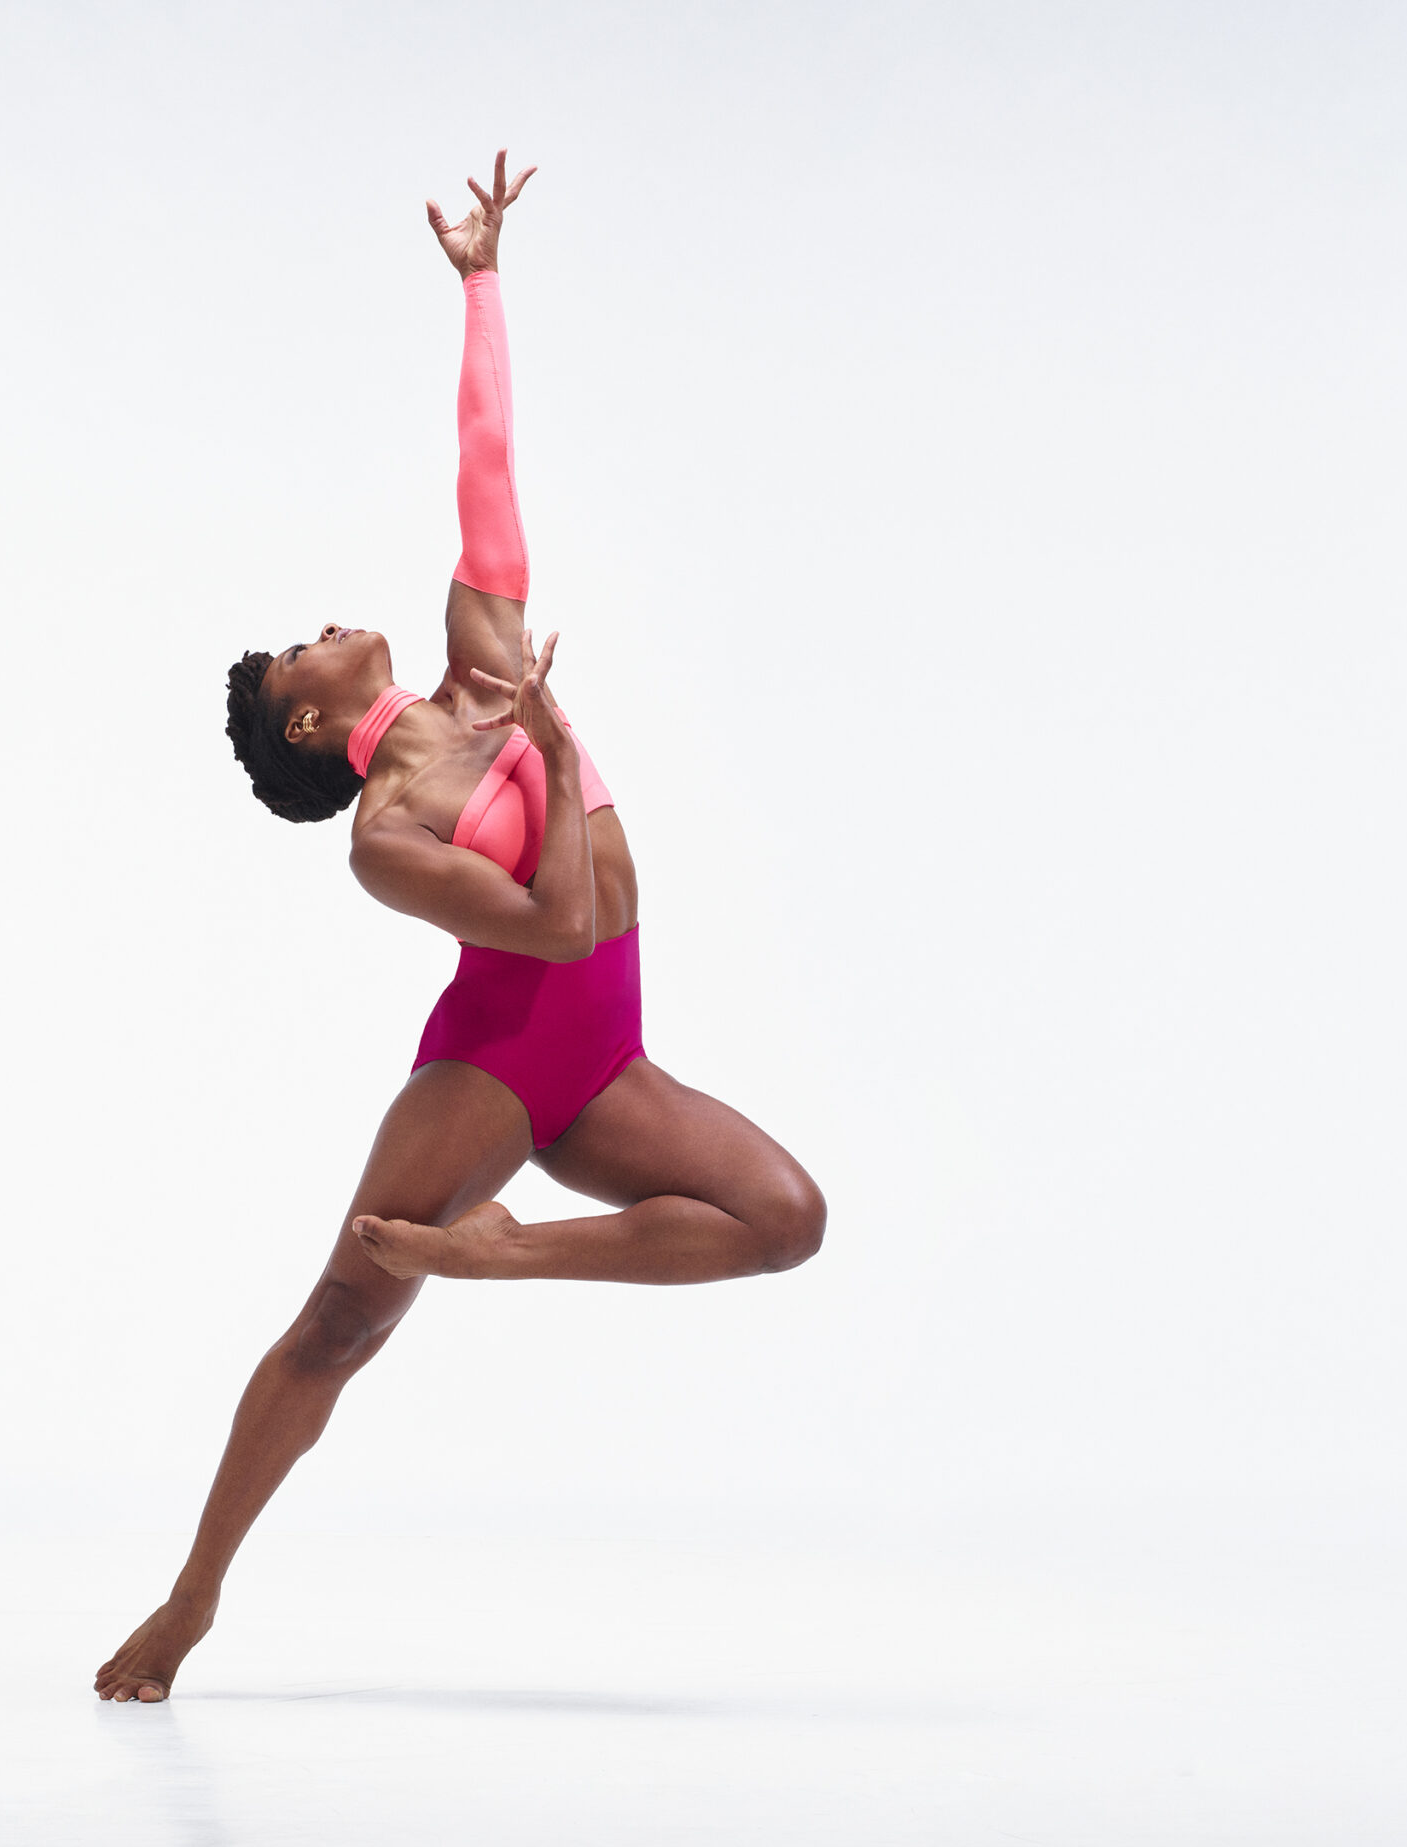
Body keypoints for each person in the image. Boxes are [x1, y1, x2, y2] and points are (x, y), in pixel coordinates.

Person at [96, 153, 826, 1704]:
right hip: (500, 1060)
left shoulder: (478, 669)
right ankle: (191, 1598)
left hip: (608, 1058)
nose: (333, 620)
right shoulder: (387, 832)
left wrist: (483, 282)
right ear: (309, 717)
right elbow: (555, 933)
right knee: (345, 1315)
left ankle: (501, 1255)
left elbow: (484, 461)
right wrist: (559, 764)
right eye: (306, 644)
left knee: (785, 1220)